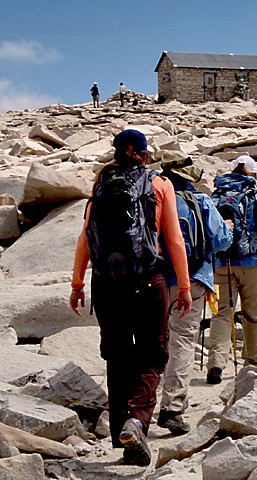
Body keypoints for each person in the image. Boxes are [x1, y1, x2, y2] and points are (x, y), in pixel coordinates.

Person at [70, 129, 193, 466]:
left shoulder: (101, 183)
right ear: (141, 153)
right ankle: (137, 421)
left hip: (106, 283)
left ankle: (124, 440)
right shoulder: (160, 184)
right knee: (153, 354)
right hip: (148, 280)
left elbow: (84, 237)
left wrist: (77, 283)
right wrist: (183, 286)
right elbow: (175, 240)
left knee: (118, 357)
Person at [157, 152, 233, 436]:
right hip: (192, 278)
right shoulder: (199, 201)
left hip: (153, 278)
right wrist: (228, 229)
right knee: (183, 340)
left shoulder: (151, 197)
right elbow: (221, 242)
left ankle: (141, 403)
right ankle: (173, 407)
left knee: (154, 338)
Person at [207, 155, 257, 384]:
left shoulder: (216, 196)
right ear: (252, 173)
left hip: (221, 263)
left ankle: (215, 363)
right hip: (252, 262)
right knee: (252, 314)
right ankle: (252, 362)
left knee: (222, 313)